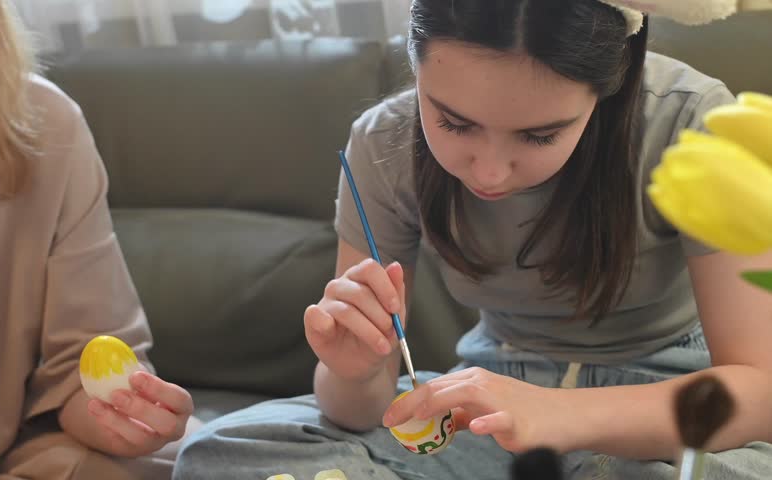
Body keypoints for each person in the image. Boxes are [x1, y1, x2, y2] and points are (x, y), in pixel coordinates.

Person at [173, 0, 772, 479]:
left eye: (539, 136)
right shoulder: (383, 145)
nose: (487, 172)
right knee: (224, 451)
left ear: (609, 84)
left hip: (669, 407)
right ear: (415, 64)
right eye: (453, 122)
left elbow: (758, 388)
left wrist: (555, 416)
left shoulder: (693, 124)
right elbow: (354, 413)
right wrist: (357, 373)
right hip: (485, 401)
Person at [0, 1, 197, 478]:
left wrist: (127, 415)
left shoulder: (45, 124)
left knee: (196, 455)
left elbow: (81, 367)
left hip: (0, 465)